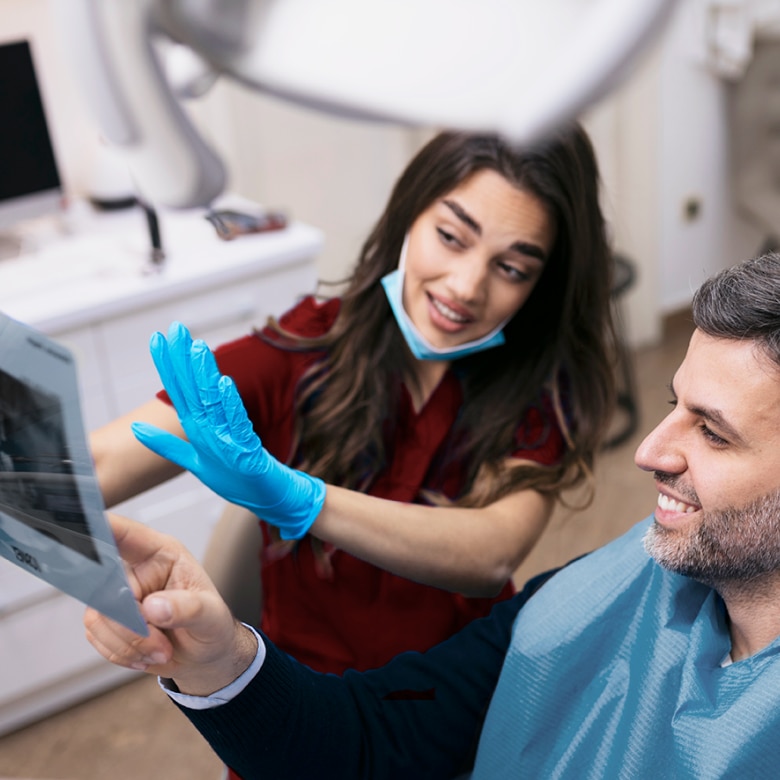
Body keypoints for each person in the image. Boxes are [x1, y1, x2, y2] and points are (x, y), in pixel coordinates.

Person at [85, 252, 780, 778]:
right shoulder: (626, 577)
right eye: (672, 405)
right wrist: (218, 660)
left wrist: (307, 501)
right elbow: (374, 739)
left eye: (712, 433)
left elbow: (490, 549)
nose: (648, 453)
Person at [90, 124, 616, 680]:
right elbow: (91, 466)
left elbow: (492, 553)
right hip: (303, 692)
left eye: (511, 268)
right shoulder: (307, 347)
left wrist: (304, 502)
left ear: (541, 284)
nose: (466, 286)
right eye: (451, 236)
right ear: (409, 215)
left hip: (453, 694)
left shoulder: (542, 390)